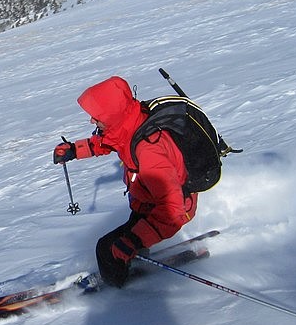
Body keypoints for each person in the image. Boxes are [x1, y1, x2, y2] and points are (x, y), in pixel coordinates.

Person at [53, 76, 198, 287]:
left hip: (170, 208)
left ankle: (121, 290)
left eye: (96, 116)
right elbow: (110, 141)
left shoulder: (149, 150)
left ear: (111, 114)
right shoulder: (130, 122)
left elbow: (172, 210)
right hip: (147, 202)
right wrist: (75, 150)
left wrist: (133, 241)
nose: (91, 121)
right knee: (123, 240)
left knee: (106, 249)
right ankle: (134, 258)